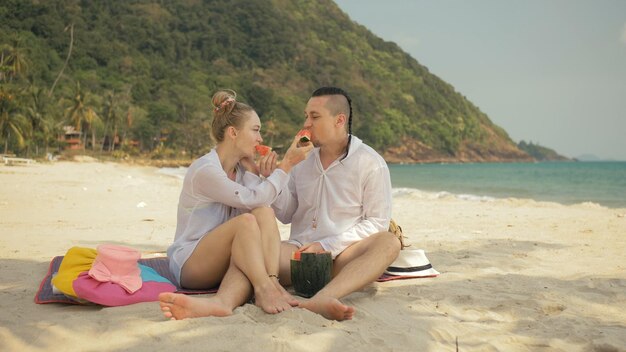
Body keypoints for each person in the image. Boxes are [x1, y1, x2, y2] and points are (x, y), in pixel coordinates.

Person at [158, 89, 313, 319]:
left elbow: (260, 203)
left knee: (263, 213)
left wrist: (253, 172)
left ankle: (236, 297)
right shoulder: (206, 170)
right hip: (191, 264)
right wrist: (286, 166)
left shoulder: (240, 169)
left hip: (224, 258)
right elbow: (249, 200)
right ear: (233, 132)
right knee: (247, 222)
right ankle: (264, 288)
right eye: (255, 130)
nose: (260, 138)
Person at [272, 86, 401, 321]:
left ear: (339, 120)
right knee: (253, 253)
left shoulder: (370, 162)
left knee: (389, 242)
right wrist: (277, 175)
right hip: (298, 254)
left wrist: (327, 245)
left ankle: (325, 297)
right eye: (306, 115)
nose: (306, 123)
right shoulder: (301, 158)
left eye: (315, 116)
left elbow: (377, 222)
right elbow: (286, 213)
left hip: (342, 257)